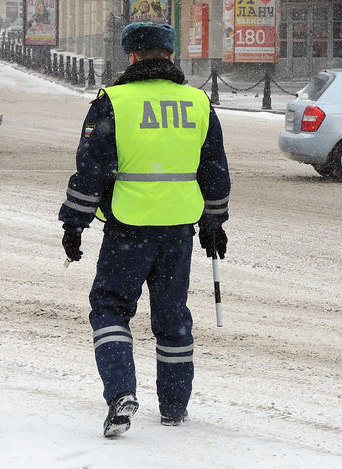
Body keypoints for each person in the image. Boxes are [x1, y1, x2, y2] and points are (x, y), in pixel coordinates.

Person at [58, 21, 230, 437]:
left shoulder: (113, 102)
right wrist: (214, 223)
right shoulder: (197, 102)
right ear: (170, 55)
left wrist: (74, 222)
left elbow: (92, 167)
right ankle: (174, 408)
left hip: (128, 230)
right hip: (178, 231)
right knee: (172, 319)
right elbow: (215, 169)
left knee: (111, 308)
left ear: (131, 56)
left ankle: (120, 393)